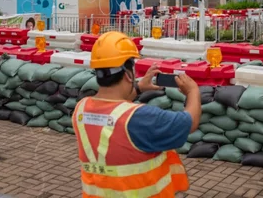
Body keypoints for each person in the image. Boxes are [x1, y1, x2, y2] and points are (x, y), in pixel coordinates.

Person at [73, 31, 201, 197]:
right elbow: (190, 122)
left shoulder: (81, 110)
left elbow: (113, 110)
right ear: (128, 74)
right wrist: (193, 92)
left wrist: (139, 87)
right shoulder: (141, 118)